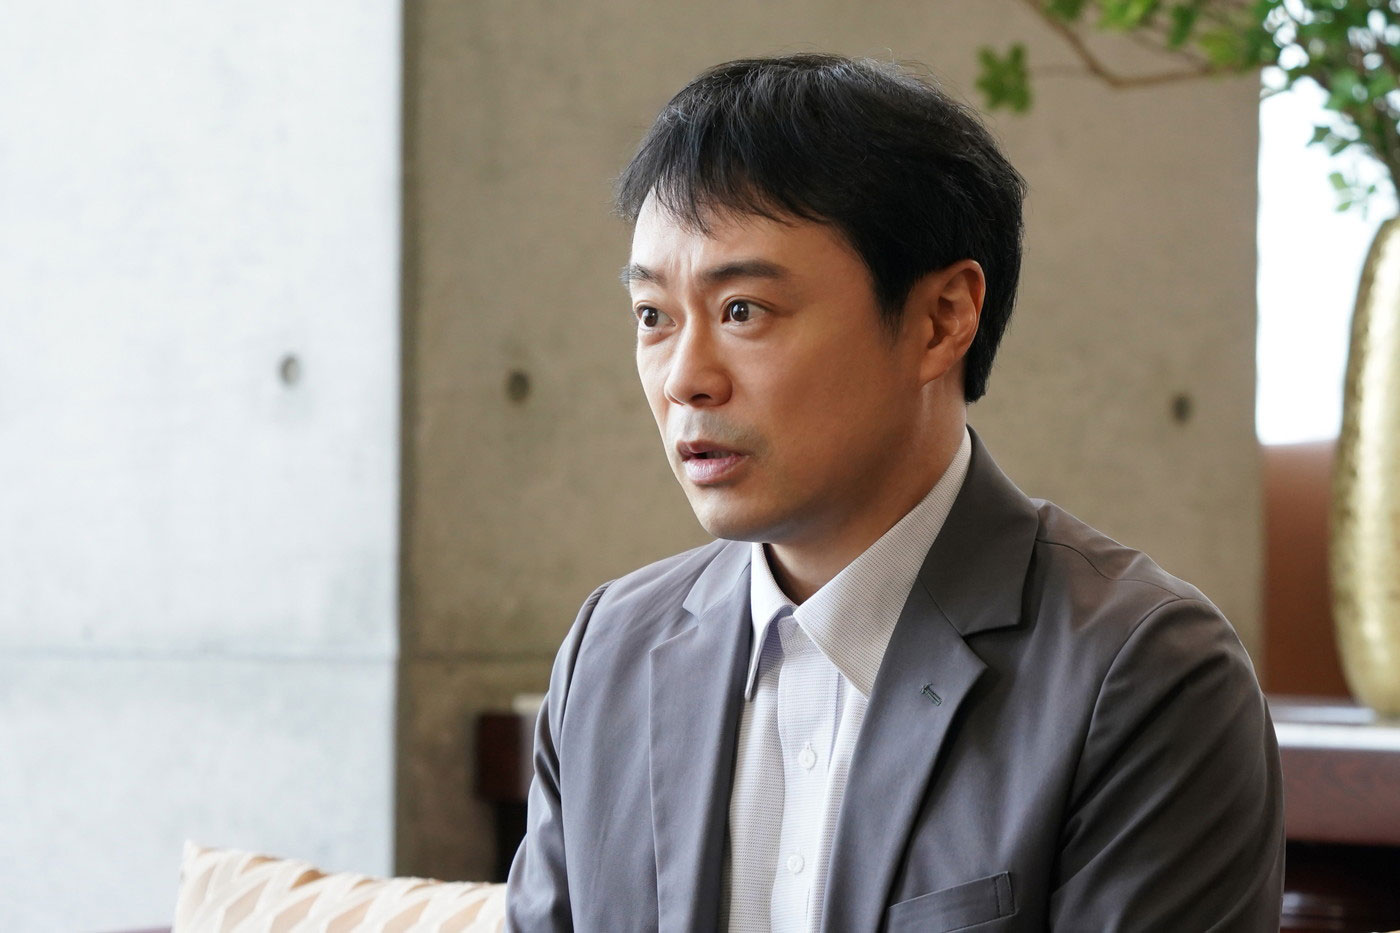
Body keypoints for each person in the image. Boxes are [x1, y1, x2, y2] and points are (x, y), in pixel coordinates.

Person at [506, 53, 1284, 932]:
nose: (685, 377)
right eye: (654, 316)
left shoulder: (1142, 674)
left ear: (942, 319)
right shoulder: (610, 653)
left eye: (743, 310)